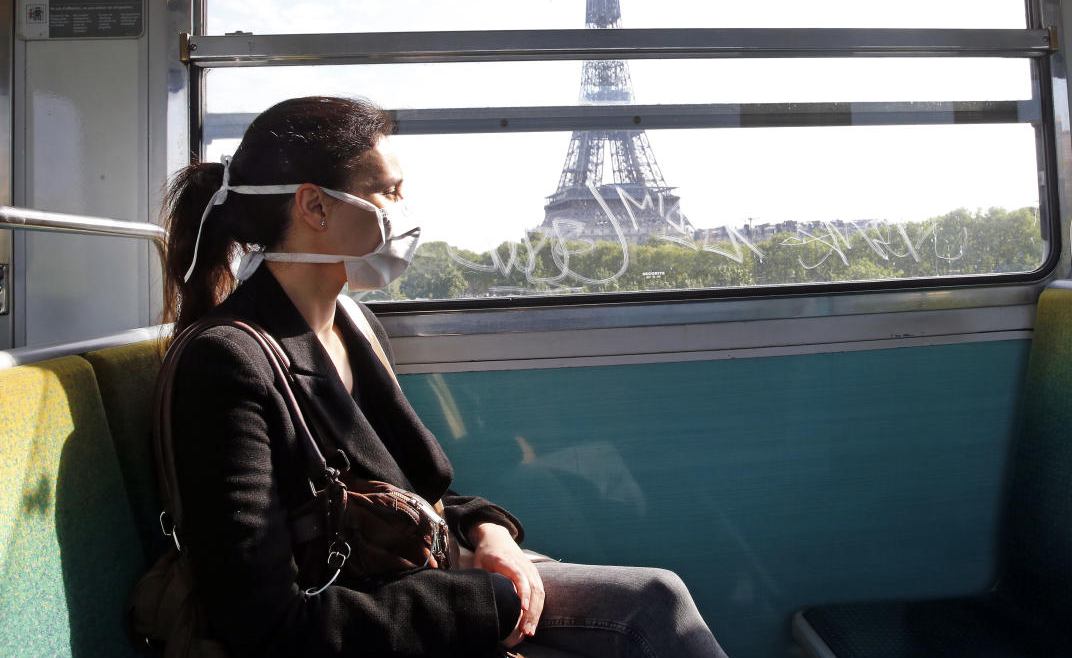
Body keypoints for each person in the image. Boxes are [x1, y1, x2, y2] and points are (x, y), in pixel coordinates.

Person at [162, 95, 729, 658]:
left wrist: (487, 531)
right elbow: (261, 620)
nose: (403, 210)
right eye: (388, 191)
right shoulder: (227, 362)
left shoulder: (354, 325)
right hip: (367, 615)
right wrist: (484, 605)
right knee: (648, 609)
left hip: (407, 579)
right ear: (315, 207)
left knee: (656, 596)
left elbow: (403, 491)